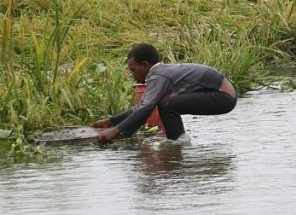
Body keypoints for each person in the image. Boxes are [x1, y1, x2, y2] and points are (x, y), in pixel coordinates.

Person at [93, 43, 237, 143]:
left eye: (133, 70)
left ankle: (177, 145)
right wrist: (111, 121)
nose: (132, 75)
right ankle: (177, 142)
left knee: (167, 105)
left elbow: (146, 108)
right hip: (219, 94)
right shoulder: (160, 73)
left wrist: (116, 131)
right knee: (166, 104)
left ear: (145, 65)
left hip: (223, 96)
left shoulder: (158, 75)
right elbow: (142, 106)